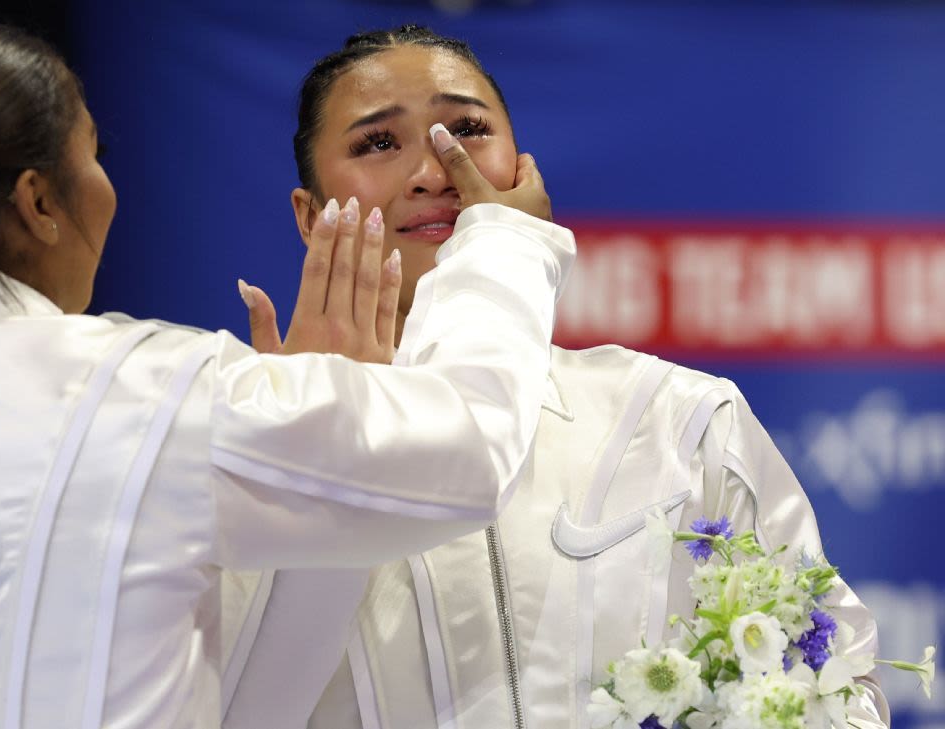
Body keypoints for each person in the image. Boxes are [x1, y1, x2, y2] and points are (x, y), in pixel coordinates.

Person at [0, 18, 577, 729]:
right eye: (95, 157)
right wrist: (505, 242)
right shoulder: (154, 392)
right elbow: (467, 448)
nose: (109, 190)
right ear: (39, 201)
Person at [223, 26, 890, 729]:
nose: (434, 169)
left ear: (523, 172)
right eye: (378, 143)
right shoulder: (245, 444)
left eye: (467, 129)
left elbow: (842, 690)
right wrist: (299, 458)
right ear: (309, 215)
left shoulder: (678, 417)